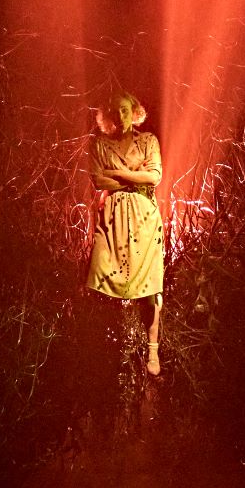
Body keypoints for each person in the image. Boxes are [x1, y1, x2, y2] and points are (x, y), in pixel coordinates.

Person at [86, 92, 165, 376]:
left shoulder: (148, 141)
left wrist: (117, 173)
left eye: (125, 110)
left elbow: (154, 176)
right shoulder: (100, 144)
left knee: (151, 285)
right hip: (112, 218)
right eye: (115, 112)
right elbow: (97, 179)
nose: (121, 117)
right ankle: (101, 346)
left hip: (144, 217)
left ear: (134, 112)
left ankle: (153, 349)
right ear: (108, 116)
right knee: (99, 276)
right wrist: (135, 175)